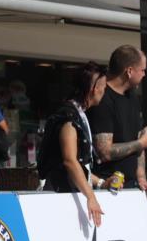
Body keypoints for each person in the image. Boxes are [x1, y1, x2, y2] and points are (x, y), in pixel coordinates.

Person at [38, 62, 108, 226]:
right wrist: (91, 196)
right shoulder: (68, 116)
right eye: (103, 86)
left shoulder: (79, 113)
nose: (104, 91)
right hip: (62, 195)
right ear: (93, 89)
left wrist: (102, 182)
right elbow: (70, 160)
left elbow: (81, 164)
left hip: (70, 193)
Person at [88, 45, 147, 196]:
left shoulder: (132, 97)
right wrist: (141, 143)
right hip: (108, 188)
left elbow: (140, 138)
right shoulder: (103, 99)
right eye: (142, 70)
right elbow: (104, 151)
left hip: (133, 186)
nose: (144, 74)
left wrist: (142, 178)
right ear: (129, 71)